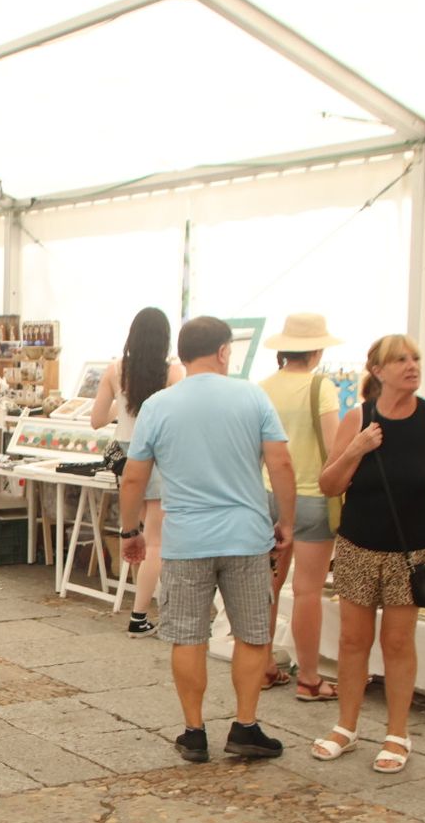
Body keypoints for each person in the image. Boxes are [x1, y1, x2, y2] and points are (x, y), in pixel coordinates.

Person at [119, 316, 295, 764]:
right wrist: (287, 522)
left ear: (182, 354)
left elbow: (134, 476)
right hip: (246, 536)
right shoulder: (252, 396)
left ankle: (194, 731)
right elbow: (281, 463)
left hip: (185, 539)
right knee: (252, 634)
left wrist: (130, 530)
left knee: (188, 637)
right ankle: (246, 725)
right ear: (222, 352)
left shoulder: (159, 405)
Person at [312, 334, 425, 773]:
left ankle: (398, 734)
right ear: (378, 372)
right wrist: (357, 449)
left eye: (415, 358)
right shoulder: (357, 418)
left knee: (398, 642)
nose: (411, 365)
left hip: (412, 551)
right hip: (358, 545)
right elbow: (329, 485)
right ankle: (346, 726)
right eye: (400, 359)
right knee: (351, 641)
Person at [258, 314, 343, 701]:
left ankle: (262, 667)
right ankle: (309, 678)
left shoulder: (262, 388)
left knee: (267, 586)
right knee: (307, 591)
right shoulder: (321, 388)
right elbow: (335, 445)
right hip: (311, 495)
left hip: (265, 493)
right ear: (316, 350)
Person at [91, 307, 185, 636]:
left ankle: (141, 608)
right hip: (158, 457)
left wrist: (122, 400)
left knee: (138, 533)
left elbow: (96, 420)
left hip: (124, 456)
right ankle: (139, 615)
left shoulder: (115, 370)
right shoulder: (173, 374)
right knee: (156, 542)